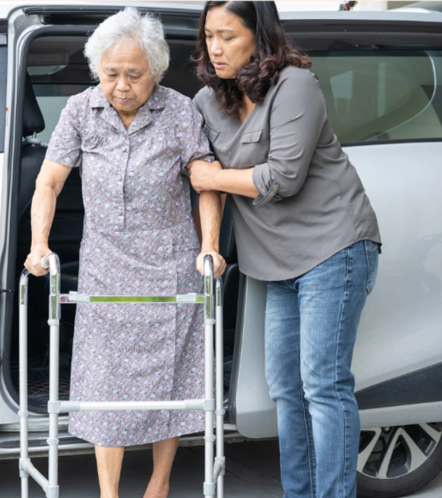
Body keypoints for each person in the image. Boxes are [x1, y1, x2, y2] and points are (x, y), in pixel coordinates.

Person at [24, 8, 225, 498]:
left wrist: (210, 249)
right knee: (105, 389)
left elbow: (207, 185)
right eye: (110, 73)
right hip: (105, 269)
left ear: (154, 70)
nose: (120, 85)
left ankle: (158, 485)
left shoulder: (179, 112)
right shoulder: (79, 110)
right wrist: (39, 244)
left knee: (170, 384)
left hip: (170, 268)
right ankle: (109, 494)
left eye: (133, 75)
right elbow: (49, 181)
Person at [188, 2, 382, 497]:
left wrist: (212, 175)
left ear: (259, 35)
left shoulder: (295, 84)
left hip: (334, 246)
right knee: (287, 392)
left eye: (228, 36)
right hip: (275, 265)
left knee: (324, 385)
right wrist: (210, 241)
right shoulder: (207, 103)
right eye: (209, 35)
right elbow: (199, 174)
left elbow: (284, 178)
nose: (215, 47)